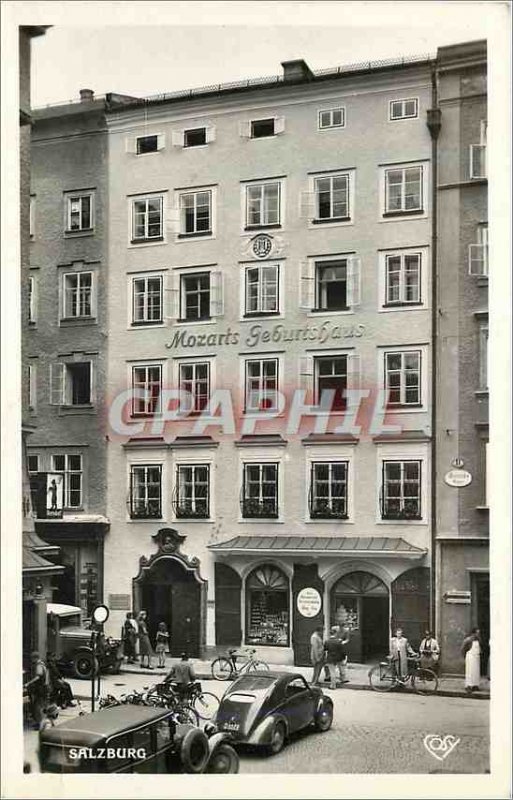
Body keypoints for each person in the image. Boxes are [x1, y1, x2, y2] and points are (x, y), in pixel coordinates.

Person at [24, 651, 51, 730]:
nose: (31, 660)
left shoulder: (39, 666)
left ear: (35, 658)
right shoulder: (42, 664)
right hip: (44, 688)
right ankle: (38, 722)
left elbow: (38, 676)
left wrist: (28, 683)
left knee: (38, 707)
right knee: (38, 706)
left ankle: (40, 724)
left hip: (41, 689)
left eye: (32, 659)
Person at [462, 627, 481, 692]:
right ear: (473, 633)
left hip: (476, 657)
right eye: (477, 633)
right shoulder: (468, 640)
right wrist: (465, 656)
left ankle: (475, 685)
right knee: (470, 671)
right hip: (470, 657)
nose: (478, 634)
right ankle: (468, 686)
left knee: (476, 672)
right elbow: (463, 649)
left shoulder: (478, 640)